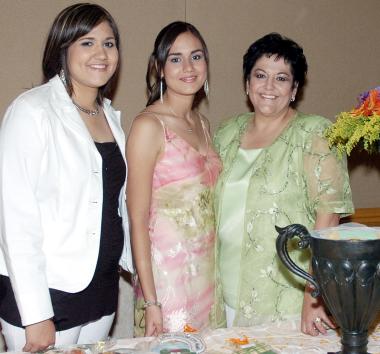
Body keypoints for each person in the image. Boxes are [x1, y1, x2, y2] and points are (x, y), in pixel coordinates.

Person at [0, 3, 133, 352]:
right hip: (46, 295)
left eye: (109, 43)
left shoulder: (109, 116)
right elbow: (15, 219)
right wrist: (36, 313)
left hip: (101, 290)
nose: (101, 53)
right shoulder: (32, 111)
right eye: (87, 43)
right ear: (63, 48)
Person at [213, 33, 354, 335]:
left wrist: (313, 294)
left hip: (287, 293)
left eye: (281, 78)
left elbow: (328, 218)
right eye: (260, 75)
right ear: (246, 83)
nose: (268, 87)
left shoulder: (315, 133)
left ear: (294, 89)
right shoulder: (226, 132)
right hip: (221, 290)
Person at [127, 21, 225, 337]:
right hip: (167, 283)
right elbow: (137, 219)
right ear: (159, 67)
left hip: (208, 277)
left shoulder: (204, 124)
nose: (188, 67)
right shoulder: (148, 126)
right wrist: (152, 301)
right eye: (175, 58)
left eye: (196, 56)